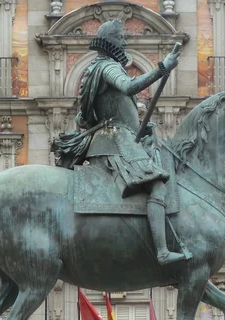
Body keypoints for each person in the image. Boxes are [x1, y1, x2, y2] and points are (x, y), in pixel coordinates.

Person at [56, 19, 189, 265]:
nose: (125, 41)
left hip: (115, 137)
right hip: (115, 142)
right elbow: (128, 87)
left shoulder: (95, 70)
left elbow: (84, 117)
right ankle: (161, 251)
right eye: (120, 37)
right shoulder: (107, 67)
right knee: (158, 186)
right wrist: (163, 67)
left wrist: (139, 126)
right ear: (110, 42)